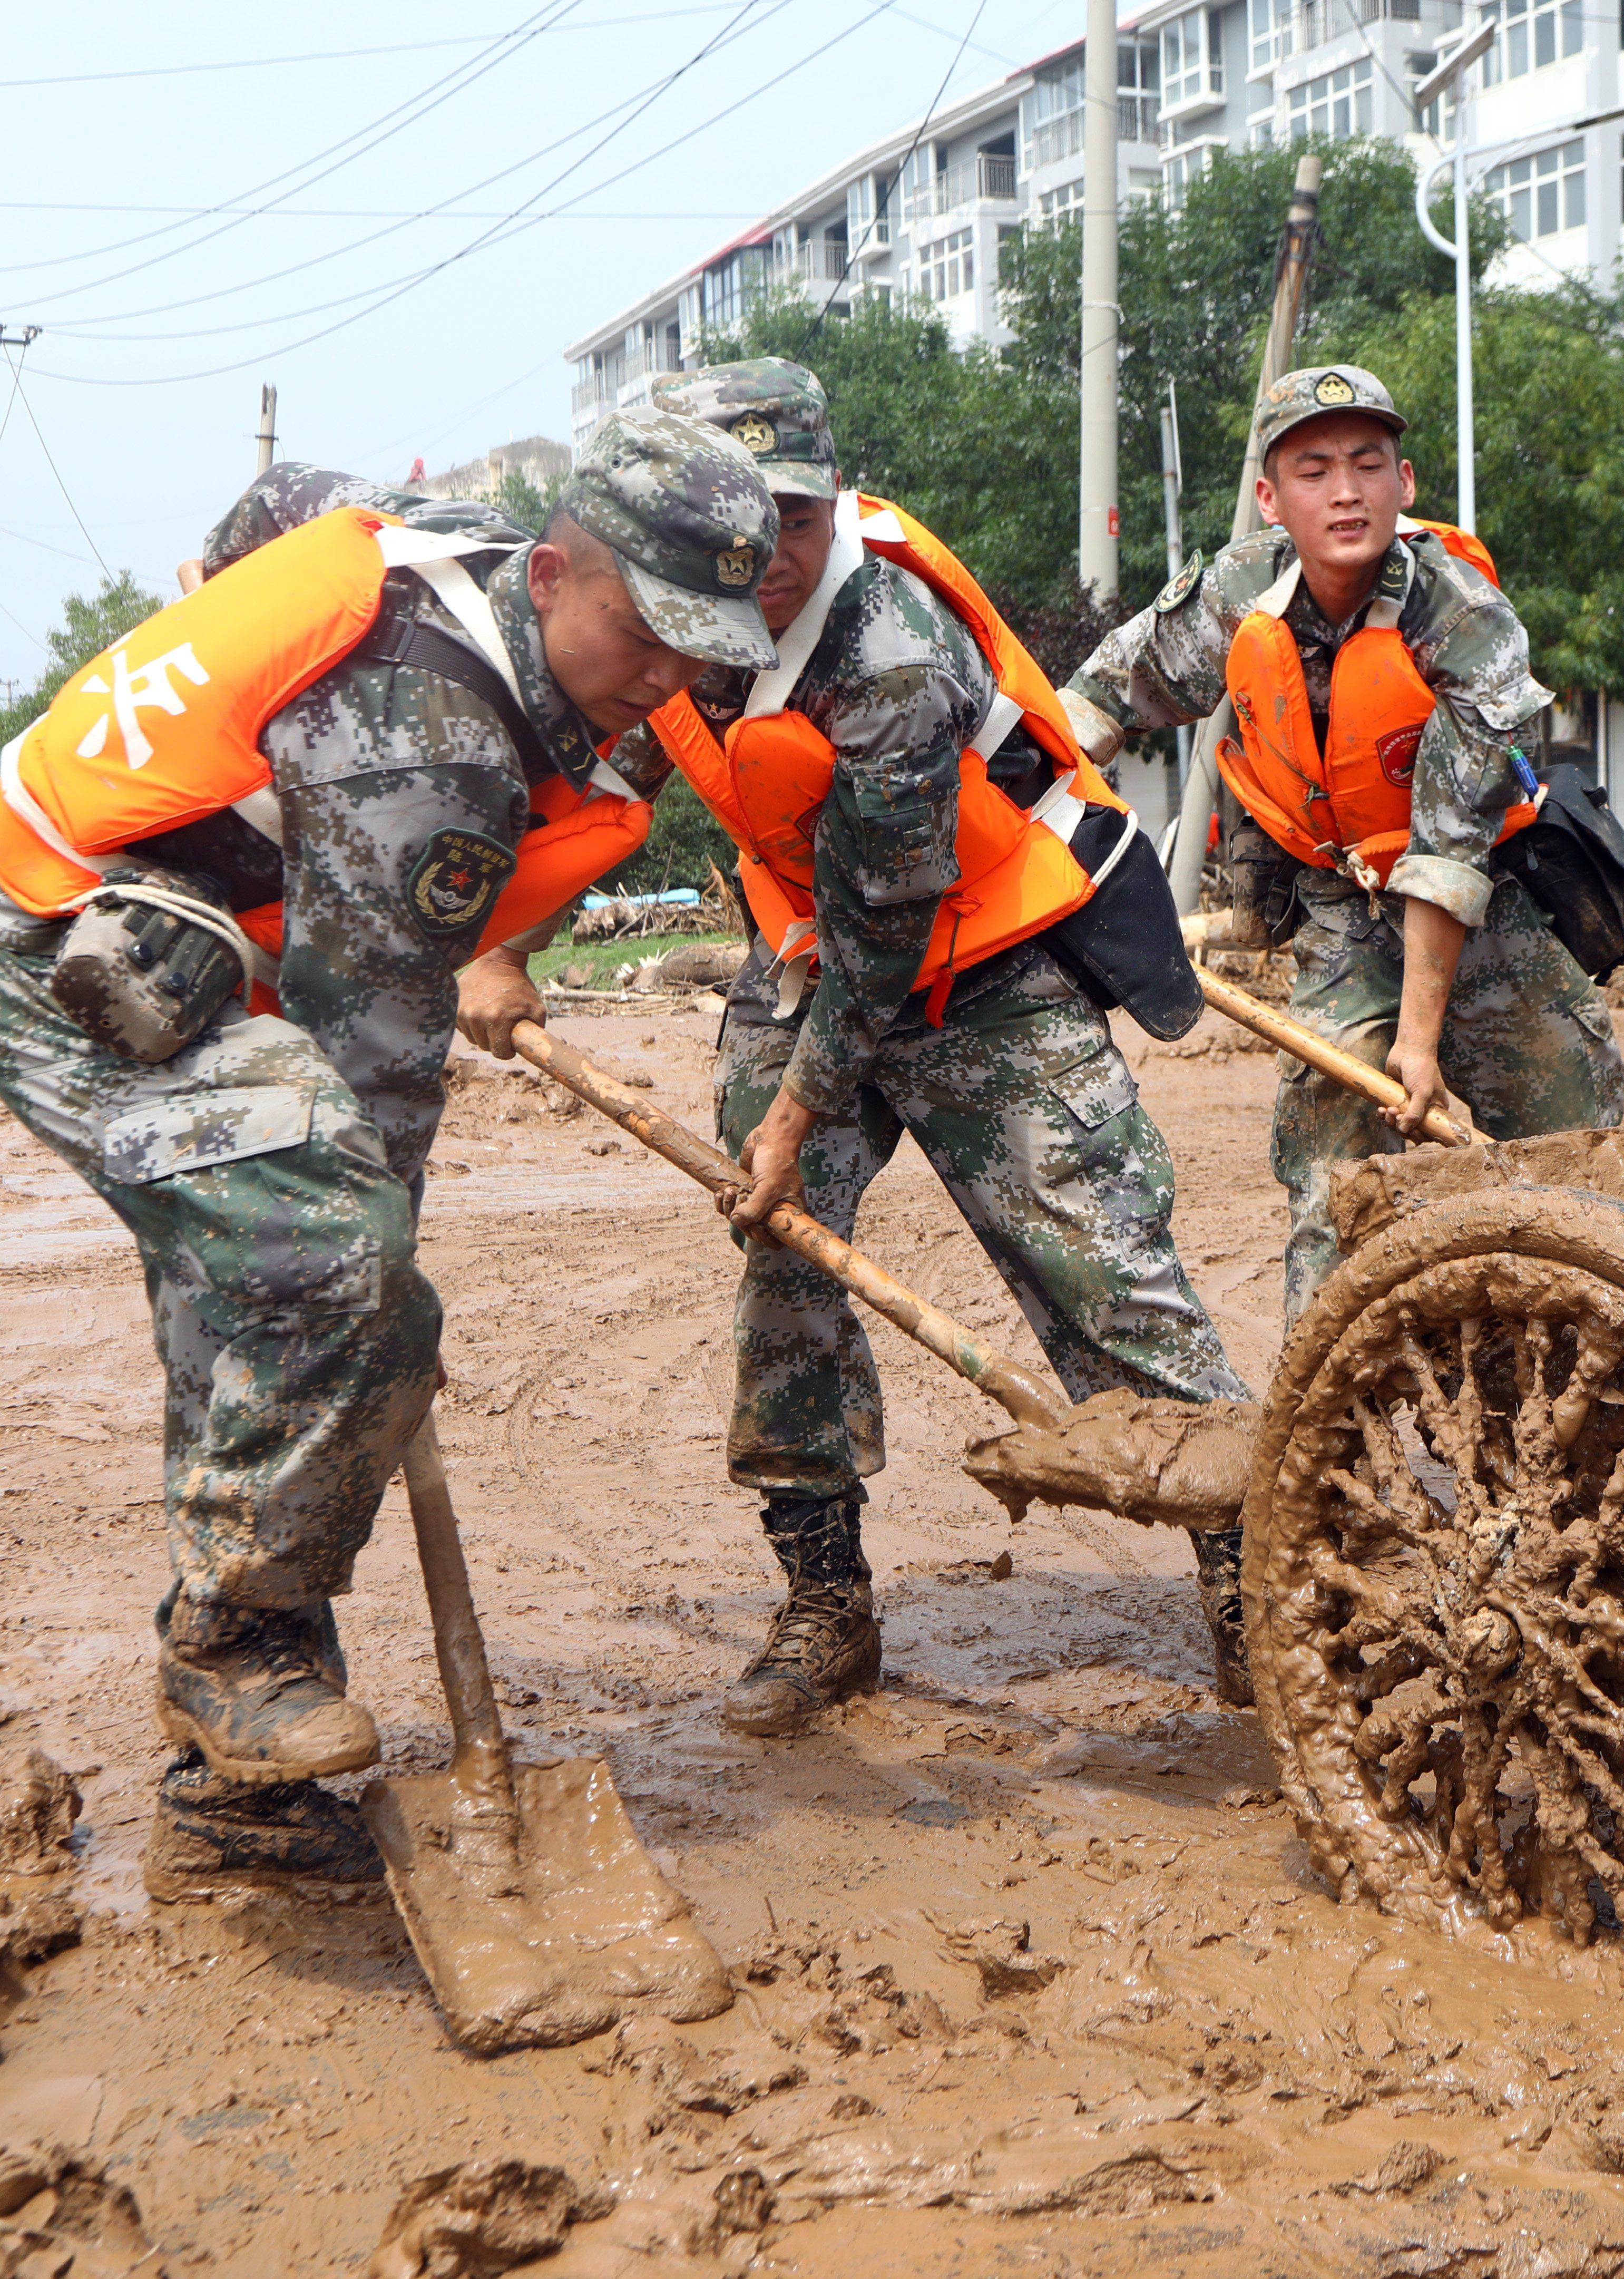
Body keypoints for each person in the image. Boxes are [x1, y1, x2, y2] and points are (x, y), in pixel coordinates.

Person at [0, 410, 781, 1897]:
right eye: (644, 626)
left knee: (279, 1317)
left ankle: (239, 1802)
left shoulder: (476, 600)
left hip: (227, 976)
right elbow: (375, 1066)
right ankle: (237, 1655)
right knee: (330, 1275)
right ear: (548, 574)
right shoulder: (433, 741)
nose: (670, 672)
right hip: (76, 968)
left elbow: (289, 503)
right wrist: (366, 1295)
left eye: (700, 640)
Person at [504, 357, 1251, 1733]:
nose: (764, 560)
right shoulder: (676, 600)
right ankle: (825, 1600)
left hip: (976, 953)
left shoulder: (892, 650)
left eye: (794, 519)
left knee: (1108, 1270)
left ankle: (1260, 1583)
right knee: (780, 1263)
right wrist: (504, 931)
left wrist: (793, 1117)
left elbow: (884, 949)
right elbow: (600, 755)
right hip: (808, 950)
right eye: (735, 527)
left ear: (834, 497)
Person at [1058, 364, 1623, 1319]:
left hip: (1490, 900)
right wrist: (1018, 814)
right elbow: (1102, 700)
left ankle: (1595, 1346)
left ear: (1405, 486)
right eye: (1314, 470)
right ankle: (1326, 1407)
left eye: (1369, 464)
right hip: (1344, 903)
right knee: (1331, 1156)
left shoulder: (1465, 617)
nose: (1347, 491)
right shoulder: (1236, 592)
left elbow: (1448, 852)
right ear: (1272, 500)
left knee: (1568, 1143)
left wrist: (1417, 1042)